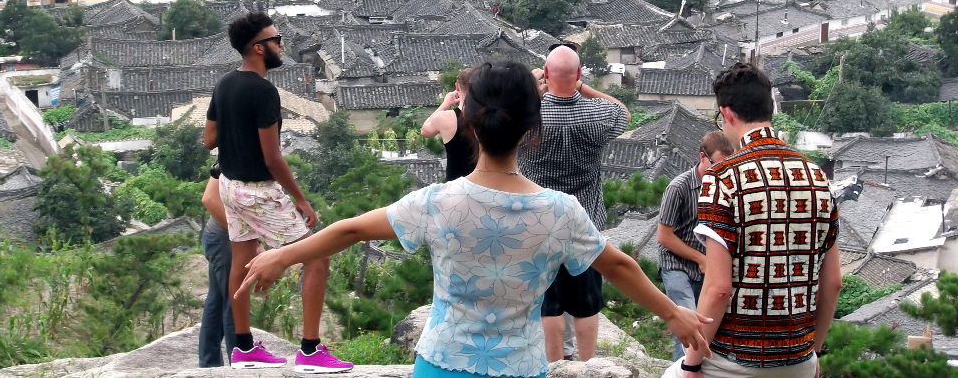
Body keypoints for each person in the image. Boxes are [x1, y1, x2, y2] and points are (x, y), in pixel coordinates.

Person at [236, 60, 712, 378]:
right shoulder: (561, 211)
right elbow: (621, 267)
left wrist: (283, 254)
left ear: (468, 117)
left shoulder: (436, 201)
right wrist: (673, 313)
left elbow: (352, 229)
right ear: (534, 127)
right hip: (520, 365)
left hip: (442, 361)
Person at [665, 62, 842, 378]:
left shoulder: (723, 178)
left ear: (727, 114)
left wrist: (692, 363)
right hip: (800, 359)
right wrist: (812, 355)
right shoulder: (817, 178)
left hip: (733, 360)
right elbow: (833, 282)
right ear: (770, 108)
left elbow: (718, 288)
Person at [204, 11, 352, 373]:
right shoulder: (264, 91)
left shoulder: (225, 83)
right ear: (258, 48)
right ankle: (311, 350)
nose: (281, 45)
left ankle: (242, 348)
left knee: (242, 261)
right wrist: (300, 198)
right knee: (317, 256)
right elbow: (272, 158)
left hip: (228, 186)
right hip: (259, 191)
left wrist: (236, 134)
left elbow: (210, 139)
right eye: (275, 39)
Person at [520, 44, 630, 362]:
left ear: (547, 72)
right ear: (579, 74)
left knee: (549, 301)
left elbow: (500, 112)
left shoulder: (529, 119)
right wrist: (582, 86)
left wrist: (531, 84)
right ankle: (587, 365)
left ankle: (554, 366)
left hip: (539, 222)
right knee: (586, 300)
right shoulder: (598, 115)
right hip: (586, 221)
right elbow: (622, 111)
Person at [656, 131, 733, 361]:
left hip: (707, 267)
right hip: (676, 263)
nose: (722, 171)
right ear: (702, 157)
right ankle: (684, 369)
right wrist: (700, 259)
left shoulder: (724, 189)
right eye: (717, 164)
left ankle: (698, 367)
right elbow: (664, 236)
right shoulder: (678, 187)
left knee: (708, 320)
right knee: (687, 318)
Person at [199, 174, 239, 368]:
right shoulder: (234, 154)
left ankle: (209, 364)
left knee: (216, 301)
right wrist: (245, 235)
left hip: (220, 238)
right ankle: (239, 361)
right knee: (234, 302)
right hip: (225, 241)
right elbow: (209, 199)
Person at [420, 67, 478, 181]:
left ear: (457, 86)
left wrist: (445, 104)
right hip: (486, 187)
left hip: (456, 187)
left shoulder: (445, 118)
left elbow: (425, 130)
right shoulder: (491, 117)